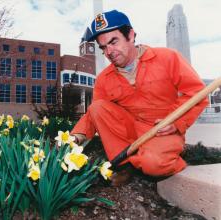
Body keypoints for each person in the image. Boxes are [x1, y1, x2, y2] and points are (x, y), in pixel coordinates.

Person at [71, 9, 208, 186]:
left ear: (130, 35)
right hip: (129, 132)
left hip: (162, 130)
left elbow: (197, 93)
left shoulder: (167, 58)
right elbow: (93, 116)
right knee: (97, 107)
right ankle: (126, 166)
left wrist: (177, 123)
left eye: (113, 42)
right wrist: (75, 138)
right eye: (103, 47)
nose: (109, 52)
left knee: (153, 165)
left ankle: (162, 155)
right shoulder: (104, 78)